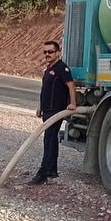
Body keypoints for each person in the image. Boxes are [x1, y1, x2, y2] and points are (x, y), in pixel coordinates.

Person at [30, 40, 77, 185]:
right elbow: (45, 90)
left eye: (50, 52)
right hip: (47, 110)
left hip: (56, 110)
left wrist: (73, 103)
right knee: (51, 140)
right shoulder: (48, 69)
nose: (47, 55)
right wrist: (40, 107)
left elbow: (71, 85)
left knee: (49, 140)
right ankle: (52, 170)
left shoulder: (62, 68)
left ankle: (42, 174)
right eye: (45, 52)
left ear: (57, 53)